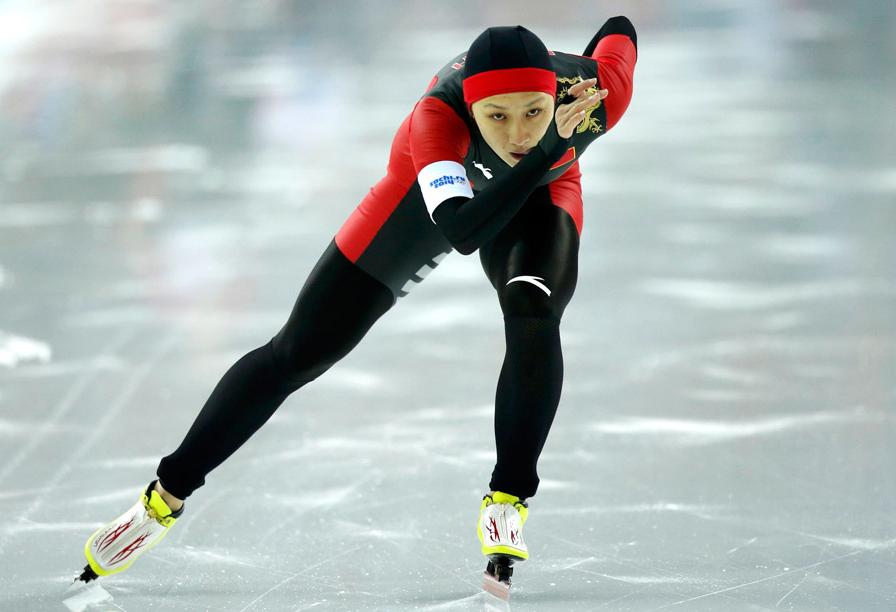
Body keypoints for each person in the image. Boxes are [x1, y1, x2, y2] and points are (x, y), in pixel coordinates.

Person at [78, 16, 638, 591]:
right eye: (497, 116)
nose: (517, 133)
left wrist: (567, 107)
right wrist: (550, 145)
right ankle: (162, 499)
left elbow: (620, 31)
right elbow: (463, 232)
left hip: (543, 194)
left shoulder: (595, 95)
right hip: (423, 201)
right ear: (472, 109)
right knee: (298, 353)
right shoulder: (436, 120)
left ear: (556, 96)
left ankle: (509, 497)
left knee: (533, 310)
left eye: (533, 112)